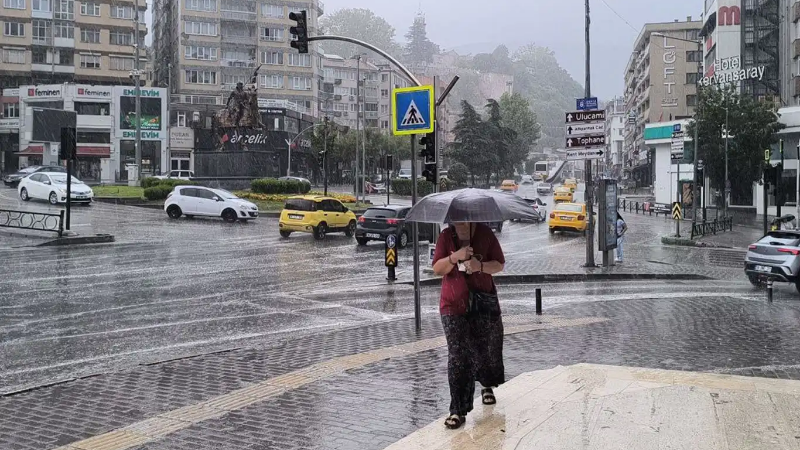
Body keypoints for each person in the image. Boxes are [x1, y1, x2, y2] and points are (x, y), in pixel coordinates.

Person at [432, 222, 506, 429]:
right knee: (458, 356)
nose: (461, 220)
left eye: (465, 216)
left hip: (482, 302)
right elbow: (438, 268)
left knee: (485, 348)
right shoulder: (446, 236)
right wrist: (454, 257)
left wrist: (479, 266)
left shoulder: (484, 233)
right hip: (453, 305)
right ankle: (457, 409)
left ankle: (486, 385)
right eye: (457, 216)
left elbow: (499, 264)